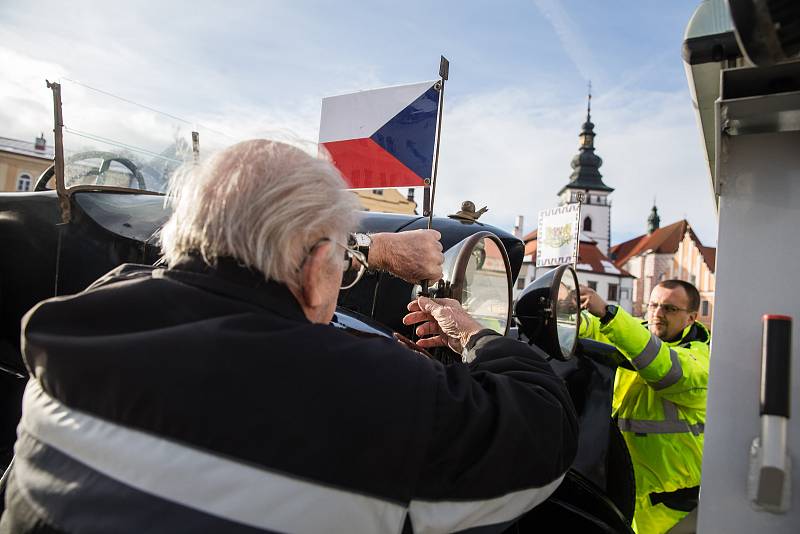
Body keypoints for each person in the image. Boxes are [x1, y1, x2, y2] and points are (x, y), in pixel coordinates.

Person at [1, 139, 578, 534]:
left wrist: (362, 252)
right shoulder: (372, 391)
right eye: (338, 259)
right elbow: (542, 433)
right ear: (316, 264)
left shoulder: (69, 325)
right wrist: (476, 336)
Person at [579, 280, 710, 534]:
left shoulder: (699, 359)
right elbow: (595, 330)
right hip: (628, 495)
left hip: (668, 510)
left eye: (670, 309)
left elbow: (664, 366)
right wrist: (573, 316)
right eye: (653, 305)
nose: (658, 314)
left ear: (692, 318)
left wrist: (608, 314)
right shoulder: (637, 334)